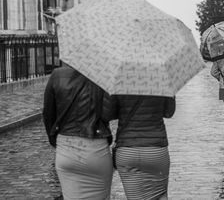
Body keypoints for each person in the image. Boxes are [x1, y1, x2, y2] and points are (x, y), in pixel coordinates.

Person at [43, 63, 115, 200]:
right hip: (96, 150)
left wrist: (55, 141)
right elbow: (109, 113)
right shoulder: (103, 76)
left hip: (66, 148)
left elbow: (48, 114)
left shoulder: (57, 75)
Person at [111, 95, 176, 200]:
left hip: (127, 148)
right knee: (160, 195)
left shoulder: (118, 83)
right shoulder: (161, 83)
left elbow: (108, 114)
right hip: (155, 149)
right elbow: (168, 113)